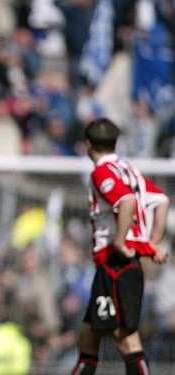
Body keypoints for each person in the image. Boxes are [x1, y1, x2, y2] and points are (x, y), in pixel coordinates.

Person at [71, 118, 169, 375]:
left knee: (125, 338)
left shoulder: (102, 172)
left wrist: (119, 239)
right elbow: (162, 200)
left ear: (88, 145)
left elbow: (125, 201)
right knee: (89, 337)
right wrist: (153, 243)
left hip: (116, 263)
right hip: (120, 264)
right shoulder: (128, 169)